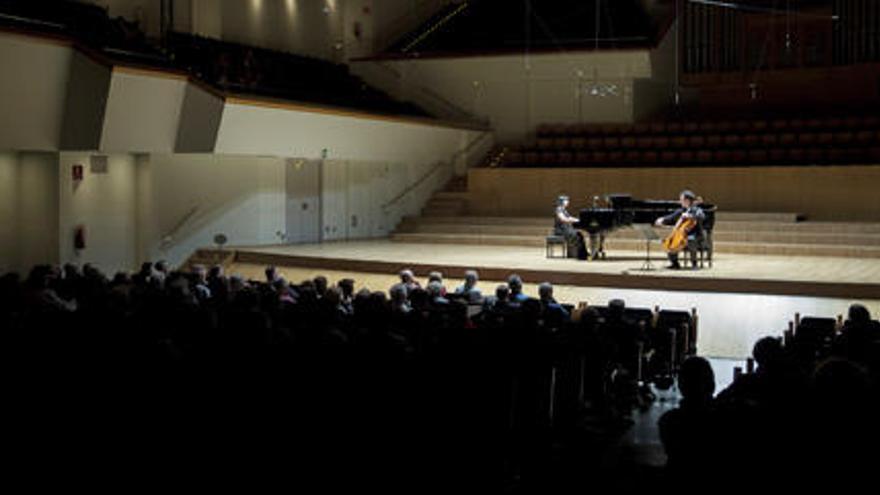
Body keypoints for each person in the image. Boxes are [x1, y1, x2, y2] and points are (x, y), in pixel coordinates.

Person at [654, 189, 706, 269]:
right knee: (670, 242)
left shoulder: (697, 210)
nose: (680, 201)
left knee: (691, 239)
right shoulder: (681, 211)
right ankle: (675, 264)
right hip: (682, 235)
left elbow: (702, 217)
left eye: (682, 200)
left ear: (687, 201)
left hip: (695, 235)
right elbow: (670, 217)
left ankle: (694, 264)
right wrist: (662, 219)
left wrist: (690, 216)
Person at [554, 195, 588, 260]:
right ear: (562, 201)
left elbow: (569, 217)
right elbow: (563, 219)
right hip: (560, 230)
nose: (568, 202)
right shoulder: (559, 209)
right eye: (566, 200)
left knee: (579, 235)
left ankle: (583, 254)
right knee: (577, 235)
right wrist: (573, 220)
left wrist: (578, 220)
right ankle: (579, 254)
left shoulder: (564, 210)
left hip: (565, 229)